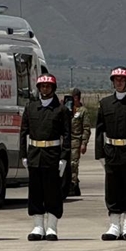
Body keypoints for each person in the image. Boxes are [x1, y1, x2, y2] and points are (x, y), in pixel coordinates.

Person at [96, 67, 126, 241]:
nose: (119, 82)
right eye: (116, 79)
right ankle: (114, 224)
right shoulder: (105, 103)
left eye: (122, 80)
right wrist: (100, 154)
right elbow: (99, 131)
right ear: (112, 82)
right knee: (112, 189)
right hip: (111, 152)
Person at [20, 73, 71, 241]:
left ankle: (51, 226)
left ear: (53, 89)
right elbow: (23, 133)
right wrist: (23, 155)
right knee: (35, 192)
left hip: (52, 155)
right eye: (42, 86)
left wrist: (64, 158)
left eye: (48, 86)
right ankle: (37, 226)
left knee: (52, 192)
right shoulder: (31, 107)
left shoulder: (61, 109)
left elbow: (67, 135)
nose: (45, 89)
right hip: (34, 155)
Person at [68, 88, 89, 197]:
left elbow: (86, 128)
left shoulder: (83, 111)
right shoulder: (67, 109)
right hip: (66, 140)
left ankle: (73, 184)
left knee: (73, 164)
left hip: (76, 140)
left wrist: (84, 143)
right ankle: (70, 183)